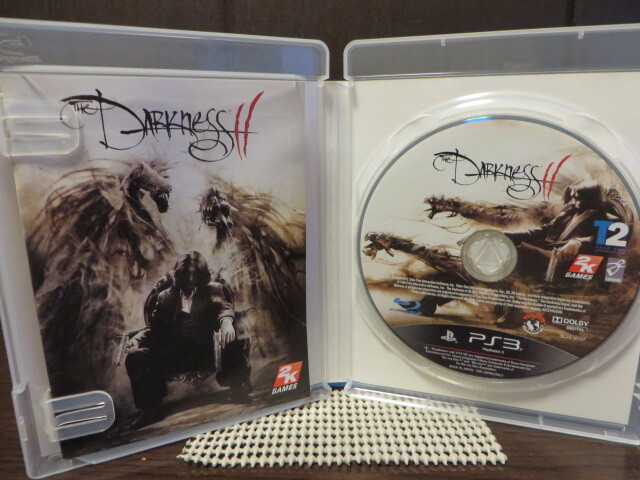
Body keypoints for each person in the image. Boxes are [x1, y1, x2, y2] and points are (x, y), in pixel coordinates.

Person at [125, 251, 252, 426]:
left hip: (206, 351)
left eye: (195, 274)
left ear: (202, 274)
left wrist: (226, 321)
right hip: (174, 355)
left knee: (229, 336)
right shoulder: (164, 297)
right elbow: (153, 328)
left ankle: (238, 389)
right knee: (136, 357)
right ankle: (150, 409)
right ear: (178, 274)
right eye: (185, 274)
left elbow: (224, 308)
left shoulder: (213, 289)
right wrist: (136, 340)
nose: (190, 279)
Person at [504, 179, 619, 279]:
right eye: (572, 197)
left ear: (591, 199)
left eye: (577, 198)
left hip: (566, 263)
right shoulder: (567, 213)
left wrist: (577, 243)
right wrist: (506, 235)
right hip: (546, 254)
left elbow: (597, 242)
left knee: (516, 254)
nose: (572, 202)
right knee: (510, 249)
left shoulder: (607, 219)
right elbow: (541, 231)